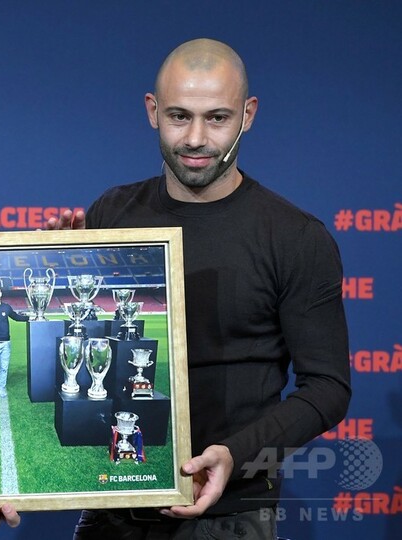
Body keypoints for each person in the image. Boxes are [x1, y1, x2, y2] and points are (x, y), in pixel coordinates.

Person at [51, 38, 351, 538]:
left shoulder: (295, 237)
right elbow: (91, 349)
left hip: (228, 514)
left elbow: (328, 388)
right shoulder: (112, 213)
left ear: (247, 115)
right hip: (114, 502)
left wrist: (236, 455)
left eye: (217, 118)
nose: (195, 138)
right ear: (152, 111)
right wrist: (60, 280)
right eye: (178, 116)